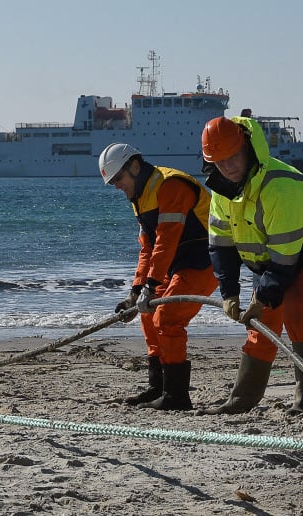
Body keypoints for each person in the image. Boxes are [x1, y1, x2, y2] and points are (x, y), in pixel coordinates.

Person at [199, 116, 303, 414]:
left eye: (233, 157)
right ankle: (242, 399)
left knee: (295, 305)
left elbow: (285, 261)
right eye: (219, 161)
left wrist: (262, 298)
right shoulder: (221, 191)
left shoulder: (282, 187)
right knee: (262, 323)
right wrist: (229, 293)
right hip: (266, 259)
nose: (228, 167)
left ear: (248, 148)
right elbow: (220, 245)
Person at [99, 143, 219, 410]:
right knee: (146, 312)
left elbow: (167, 239)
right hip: (178, 264)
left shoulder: (171, 184)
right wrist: (136, 291)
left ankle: (177, 396)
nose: (117, 185)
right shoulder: (141, 197)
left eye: (119, 178)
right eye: (113, 182)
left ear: (135, 167)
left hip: (204, 262)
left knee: (168, 317)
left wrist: (151, 285)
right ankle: (158, 387)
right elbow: (148, 249)